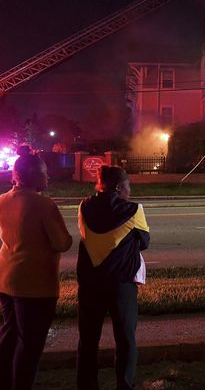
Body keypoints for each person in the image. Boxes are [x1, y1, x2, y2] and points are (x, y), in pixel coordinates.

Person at [0, 154, 72, 390]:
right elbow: (61, 242)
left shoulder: (2, 200)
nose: (48, 176)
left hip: (5, 278)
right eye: (44, 171)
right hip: (34, 284)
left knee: (9, 337)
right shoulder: (42, 204)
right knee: (30, 345)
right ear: (33, 174)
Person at [76, 166, 149, 390]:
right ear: (119, 188)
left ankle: (87, 386)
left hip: (90, 283)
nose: (130, 192)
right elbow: (144, 242)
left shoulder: (84, 206)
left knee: (88, 340)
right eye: (128, 187)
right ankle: (124, 385)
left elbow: (86, 236)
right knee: (125, 339)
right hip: (121, 284)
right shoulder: (134, 210)